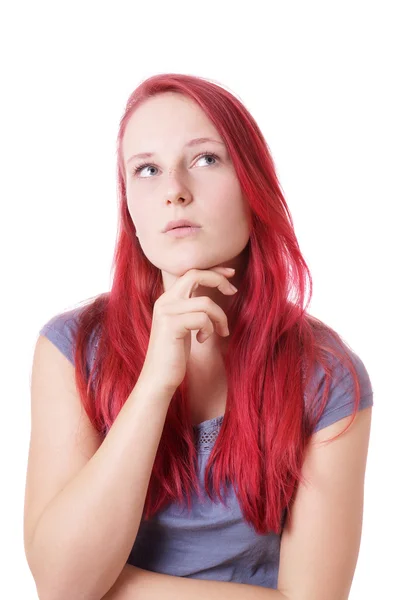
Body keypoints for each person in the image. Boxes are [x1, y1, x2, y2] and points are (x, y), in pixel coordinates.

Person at [24, 73, 373, 600]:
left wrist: (112, 588)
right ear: (130, 211)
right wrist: (155, 385)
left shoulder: (327, 378)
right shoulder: (71, 351)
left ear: (253, 184)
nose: (175, 192)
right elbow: (61, 585)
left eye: (206, 159)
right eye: (147, 169)